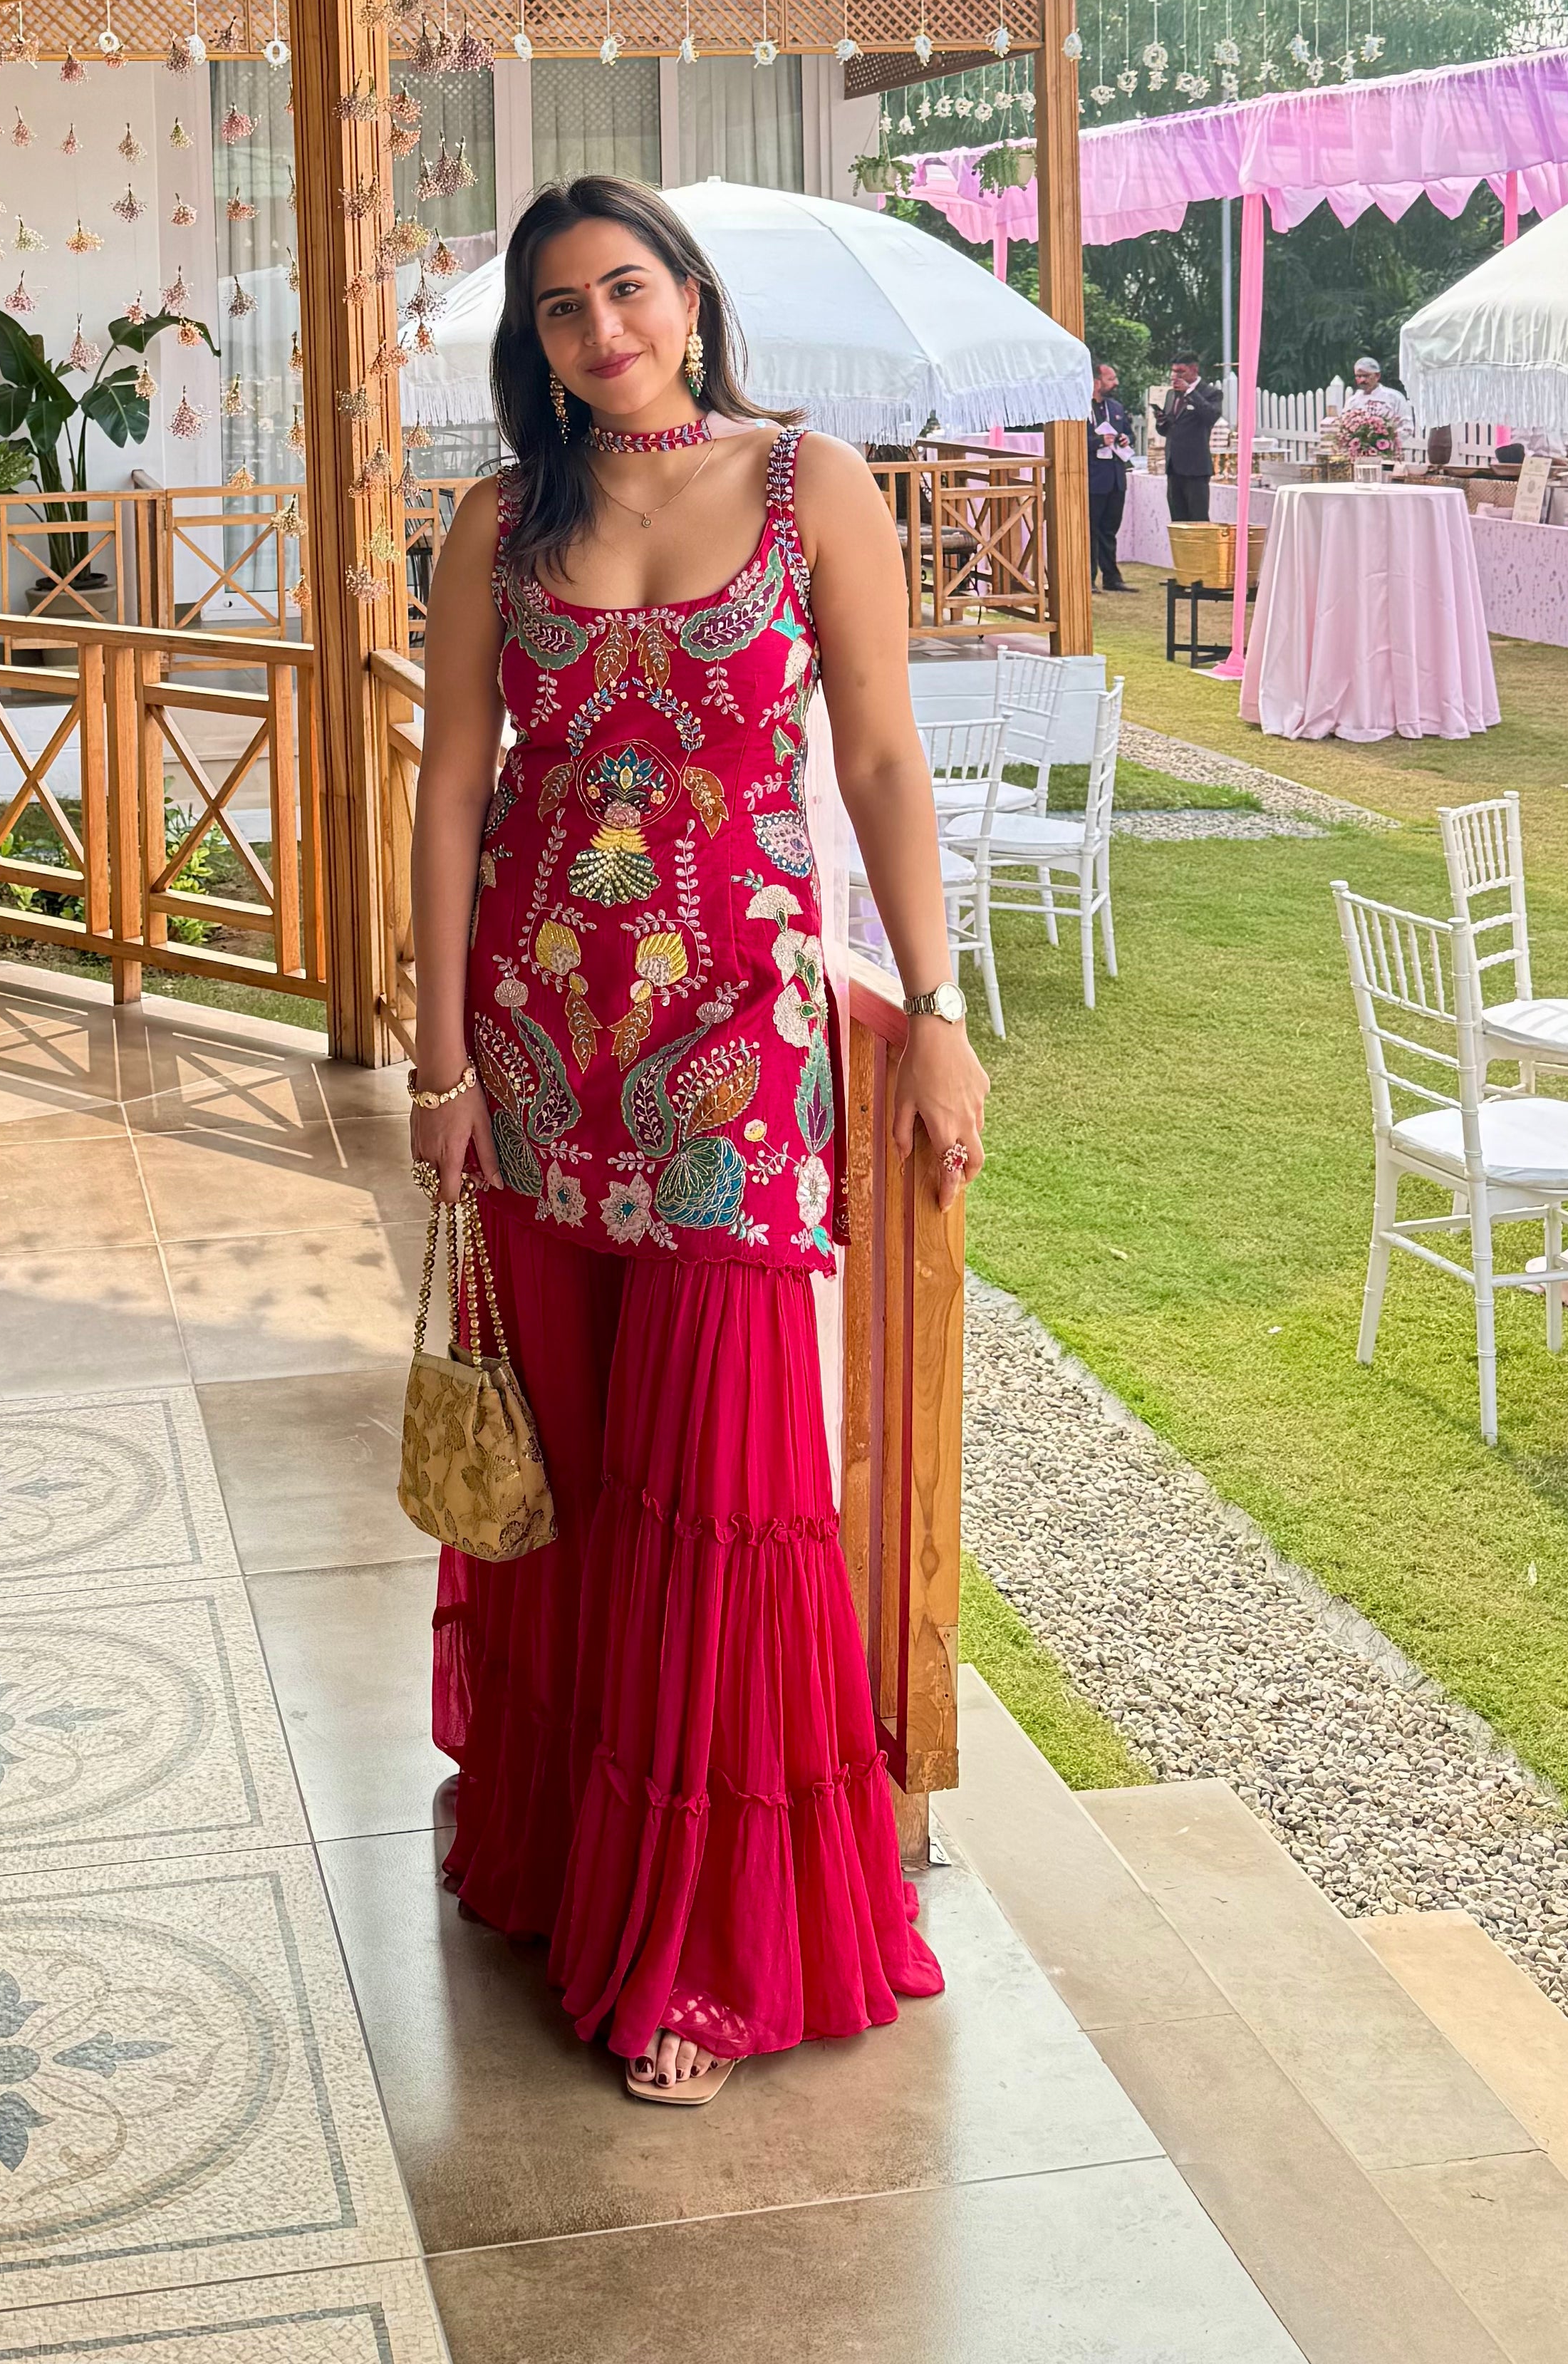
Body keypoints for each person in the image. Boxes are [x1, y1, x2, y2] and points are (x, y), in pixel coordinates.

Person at [410, 174, 986, 2112]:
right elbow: (449, 790)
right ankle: (563, 1858)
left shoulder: (810, 485)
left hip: (735, 1061)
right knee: (572, 1476)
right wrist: (433, 1059)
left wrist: (934, 1002)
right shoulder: (497, 522)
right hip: (533, 1056)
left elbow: (879, 756)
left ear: (687, 294)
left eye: (625, 290)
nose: (601, 332)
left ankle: (694, 1948)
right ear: (534, 342)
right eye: (559, 308)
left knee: (724, 1488)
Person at [1153, 350, 1223, 524]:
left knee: (1198, 520)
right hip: (1174, 467)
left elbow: (1211, 416)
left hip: (1196, 468)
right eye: (1173, 371)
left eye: (1181, 372)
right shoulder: (1171, 394)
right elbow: (1168, 430)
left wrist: (1190, 392)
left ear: (1194, 369)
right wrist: (1161, 421)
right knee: (1178, 521)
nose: (1175, 376)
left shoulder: (1210, 393)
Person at [1087, 361, 1134, 590]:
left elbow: (1129, 433)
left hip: (1116, 478)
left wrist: (1126, 438)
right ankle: (1088, 578)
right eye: (1110, 379)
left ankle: (1112, 578)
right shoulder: (1081, 409)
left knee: (1110, 530)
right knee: (1091, 531)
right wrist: (1098, 442)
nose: (1116, 383)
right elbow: (1071, 443)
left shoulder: (1116, 407)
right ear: (1096, 382)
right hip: (1093, 479)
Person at [1349, 356, 1415, 452]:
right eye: (1359, 376)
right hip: (1359, 454)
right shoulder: (1352, 401)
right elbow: (1345, 428)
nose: (1362, 380)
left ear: (1377, 376)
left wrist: (1387, 443)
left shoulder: (1394, 397)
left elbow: (1407, 427)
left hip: (1389, 453)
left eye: (1366, 376)